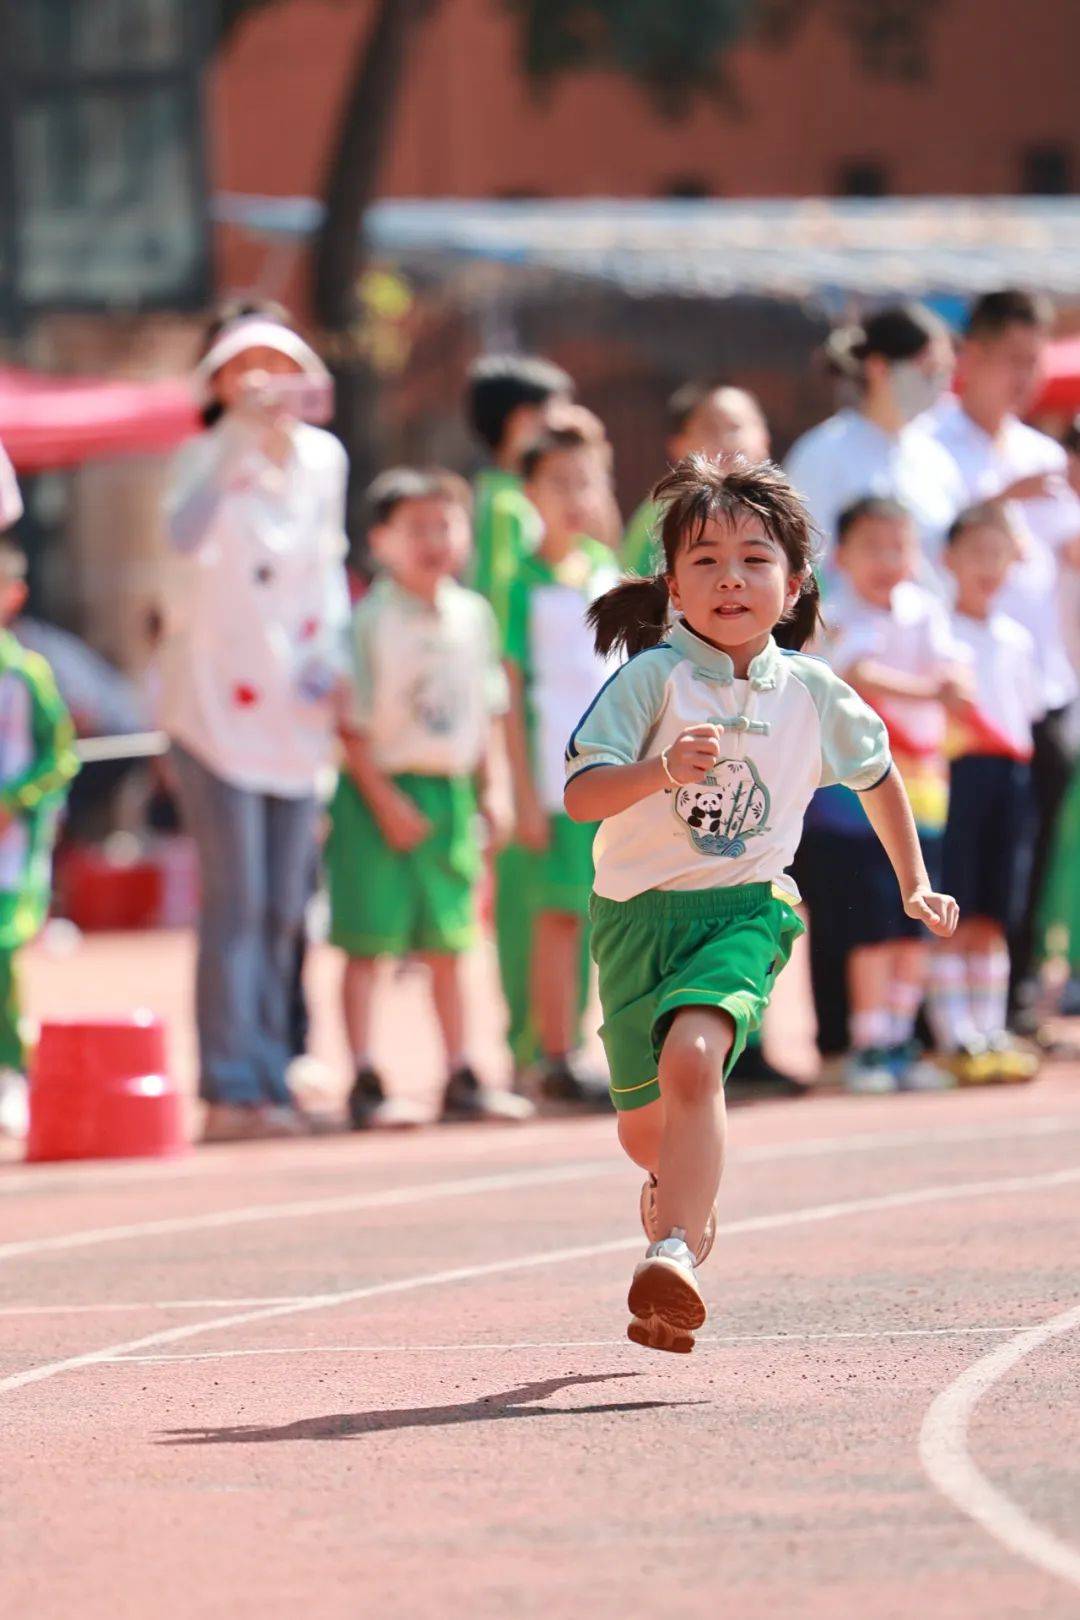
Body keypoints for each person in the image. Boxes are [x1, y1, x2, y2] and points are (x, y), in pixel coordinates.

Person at [564, 456, 957, 1352]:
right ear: (671, 586)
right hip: (634, 918)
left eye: (753, 559)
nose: (730, 579)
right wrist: (661, 770)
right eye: (704, 561)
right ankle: (671, 1197)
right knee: (645, 1133)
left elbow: (879, 773)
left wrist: (915, 881)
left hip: (743, 911)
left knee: (696, 1062)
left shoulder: (815, 692)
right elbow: (582, 797)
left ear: (793, 585)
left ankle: (674, 1251)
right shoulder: (651, 682)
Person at [160, 310, 350, 1143]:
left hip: (293, 715)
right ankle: (230, 1085)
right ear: (220, 381)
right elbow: (182, 537)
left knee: (283, 907)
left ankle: (271, 1069)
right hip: (212, 712)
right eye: (247, 368)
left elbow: (328, 570)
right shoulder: (199, 457)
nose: (266, 381)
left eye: (280, 363)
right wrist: (236, 444)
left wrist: (332, 660)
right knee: (235, 904)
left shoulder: (324, 461)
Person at [328, 468, 531, 1128]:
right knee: (370, 943)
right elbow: (349, 721)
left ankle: (461, 1072)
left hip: (448, 795)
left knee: (451, 942)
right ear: (379, 541)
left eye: (446, 525)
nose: (434, 541)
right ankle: (362, 1074)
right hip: (377, 795)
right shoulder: (367, 621)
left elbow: (489, 711)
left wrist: (493, 787)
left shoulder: (473, 617)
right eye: (415, 528)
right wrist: (383, 800)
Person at [925, 289, 1080, 1030]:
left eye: (1034, 362)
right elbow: (923, 552)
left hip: (1038, 692)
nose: (1024, 377)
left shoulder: (1045, 454)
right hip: (955, 695)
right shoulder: (930, 450)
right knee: (956, 862)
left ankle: (1012, 1004)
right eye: (1012, 360)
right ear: (972, 357)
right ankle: (939, 1017)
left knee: (1026, 858)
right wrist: (999, 497)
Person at [820, 497, 969, 1093]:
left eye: (898, 546)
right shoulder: (836, 614)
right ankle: (868, 1044)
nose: (886, 560)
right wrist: (934, 691)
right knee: (873, 926)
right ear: (842, 555)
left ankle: (901, 1040)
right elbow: (859, 675)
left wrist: (952, 686)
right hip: (856, 803)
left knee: (918, 922)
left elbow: (958, 674)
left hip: (926, 790)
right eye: (871, 546)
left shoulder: (927, 611)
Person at [501, 427, 620, 1107]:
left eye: (587, 479)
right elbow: (512, 694)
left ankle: (613, 1044)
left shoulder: (607, 569)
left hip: (618, 781)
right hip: (557, 783)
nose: (576, 496)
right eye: (559, 483)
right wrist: (520, 789)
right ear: (530, 496)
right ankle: (553, 1053)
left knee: (615, 915)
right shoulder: (521, 582)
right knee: (559, 918)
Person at [926, 505, 1041, 1084]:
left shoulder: (1017, 639)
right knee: (956, 904)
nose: (988, 567)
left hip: (1011, 778)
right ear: (949, 560)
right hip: (958, 775)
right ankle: (955, 1035)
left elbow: (1029, 713)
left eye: (999, 554)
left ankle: (990, 1028)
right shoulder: (939, 633)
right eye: (976, 553)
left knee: (996, 911)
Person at [784, 304, 964, 581]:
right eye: (929, 371)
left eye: (946, 373)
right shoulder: (823, 452)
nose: (939, 385)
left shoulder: (937, 457)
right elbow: (802, 561)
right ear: (879, 368)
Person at [0, 540, 78, 1137]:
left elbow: (60, 755)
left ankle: (11, 1074)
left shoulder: (27, 674)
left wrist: (15, 803)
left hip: (9, 855)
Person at [466, 354, 573, 627]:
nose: (570, 425)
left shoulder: (490, 492)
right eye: (559, 411)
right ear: (523, 422)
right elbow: (499, 597)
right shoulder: (507, 504)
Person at [622, 383, 770, 578]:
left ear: (764, 438)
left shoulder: (784, 514)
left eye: (736, 427)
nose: (726, 440)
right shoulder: (661, 517)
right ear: (678, 445)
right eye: (711, 430)